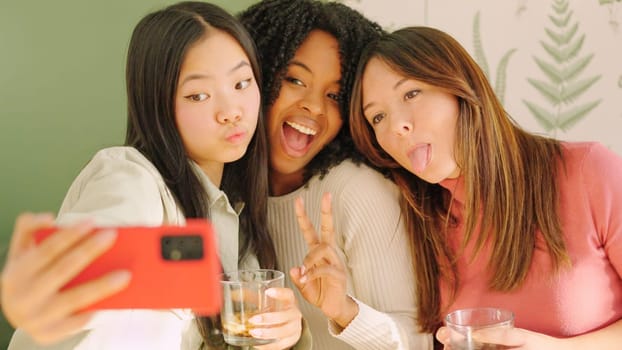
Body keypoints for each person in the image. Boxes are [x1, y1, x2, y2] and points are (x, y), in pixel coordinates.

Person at [0, 2, 308, 349]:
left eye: (241, 83)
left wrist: (290, 333)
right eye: (199, 95)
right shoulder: (131, 178)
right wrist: (46, 290)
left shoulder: (237, 220)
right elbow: (101, 243)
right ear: (158, 104)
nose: (231, 112)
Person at [349, 25, 622, 349]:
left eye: (411, 93)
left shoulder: (588, 171)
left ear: (460, 87)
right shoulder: (424, 220)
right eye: (377, 117)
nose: (397, 126)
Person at [238, 1, 433, 349]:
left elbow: (416, 341)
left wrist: (345, 312)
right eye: (295, 79)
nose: (314, 106)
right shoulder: (228, 195)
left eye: (334, 95)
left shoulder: (355, 191)